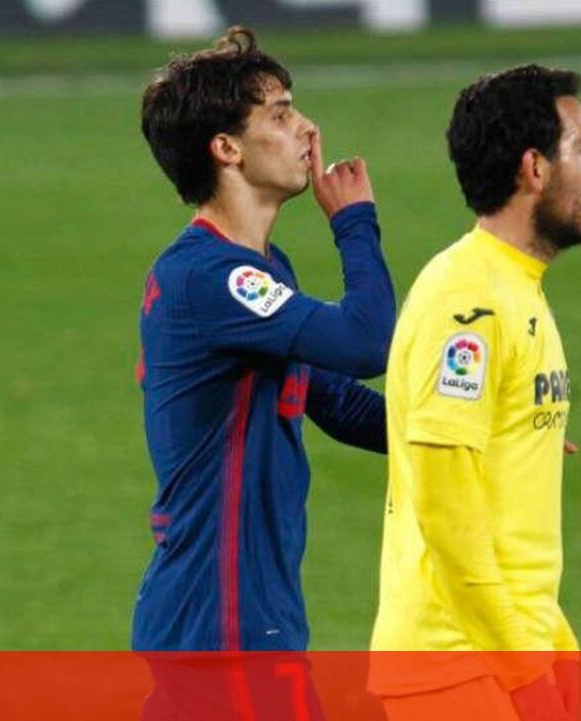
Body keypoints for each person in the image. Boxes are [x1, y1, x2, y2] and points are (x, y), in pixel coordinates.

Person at [132, 26, 394, 654]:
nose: (307, 129)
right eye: (280, 114)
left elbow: (337, 400)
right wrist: (354, 222)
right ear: (227, 148)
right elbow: (367, 343)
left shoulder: (259, 272)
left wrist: (485, 433)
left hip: (238, 613)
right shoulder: (212, 277)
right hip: (223, 618)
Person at [369, 65, 581, 721]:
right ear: (534, 168)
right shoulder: (467, 304)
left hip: (497, 657)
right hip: (455, 666)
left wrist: (555, 641)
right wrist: (526, 675)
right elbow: (446, 511)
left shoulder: (513, 286)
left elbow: (506, 501)